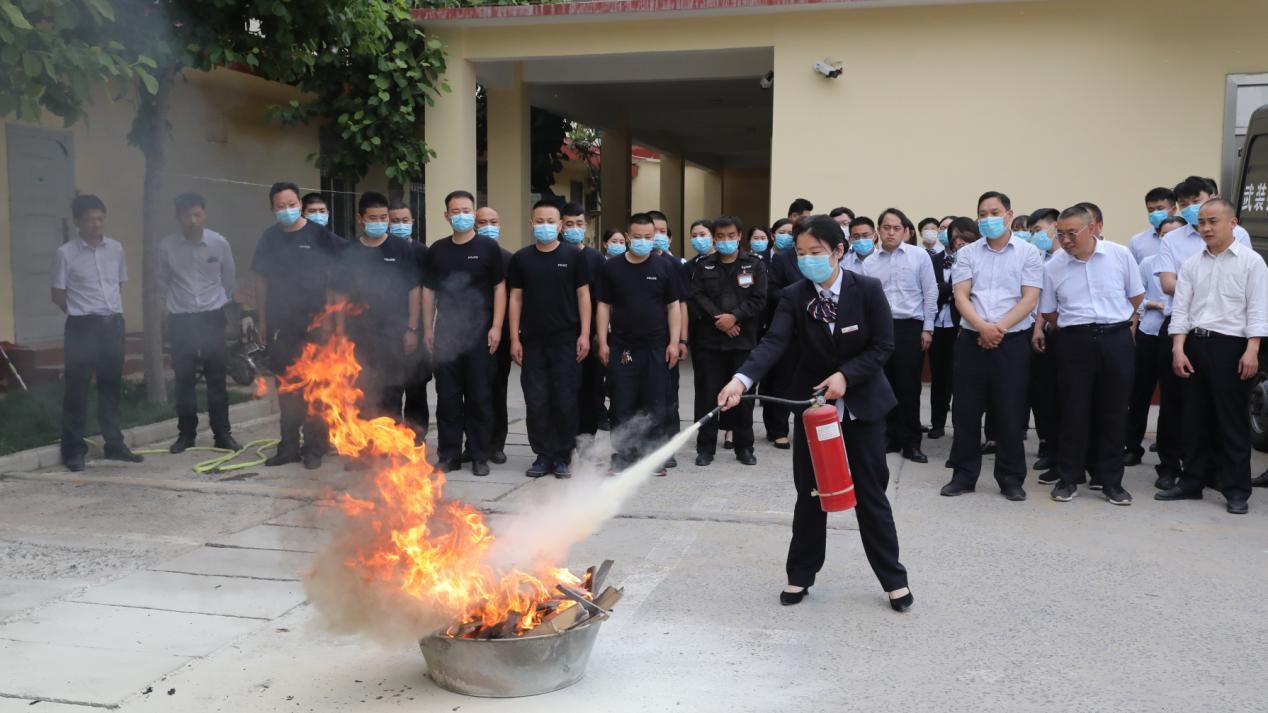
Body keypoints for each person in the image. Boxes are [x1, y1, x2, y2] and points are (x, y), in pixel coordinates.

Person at [716, 215, 911, 612]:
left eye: (816, 253)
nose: (808, 261)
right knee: (810, 493)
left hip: (862, 409)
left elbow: (882, 347)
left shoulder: (867, 290)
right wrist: (740, 380)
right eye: (801, 253)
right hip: (813, 410)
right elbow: (773, 343)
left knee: (871, 495)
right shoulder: (793, 295)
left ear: (839, 251)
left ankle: (893, 579)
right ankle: (800, 575)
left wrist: (846, 376)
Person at [1158, 199, 1267, 515]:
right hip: (1194, 345)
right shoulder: (1193, 264)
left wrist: (1252, 349)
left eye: (1212, 221)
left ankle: (1236, 490)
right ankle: (1191, 481)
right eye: (1201, 222)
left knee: (1231, 422)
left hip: (1232, 347)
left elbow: (1259, 308)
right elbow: (1181, 309)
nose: (1205, 228)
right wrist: (1178, 348)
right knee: (1192, 418)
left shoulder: (1251, 263)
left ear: (1232, 223)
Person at [1038, 206, 1144, 505]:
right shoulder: (1053, 266)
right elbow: (1048, 311)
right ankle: (1069, 478)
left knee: (1113, 412)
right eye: (1061, 233)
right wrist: (1076, 329)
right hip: (1074, 342)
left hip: (1115, 339)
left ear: (1093, 228)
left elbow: (1136, 297)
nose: (1066, 239)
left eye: (1073, 233)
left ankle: (1111, 481)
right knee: (1073, 411)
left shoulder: (1119, 255)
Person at [942, 191, 1043, 501]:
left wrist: (998, 328)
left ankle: (1011, 478)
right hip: (971, 340)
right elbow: (961, 296)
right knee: (965, 410)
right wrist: (983, 327)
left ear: (1009, 214)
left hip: (1011, 341)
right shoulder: (968, 253)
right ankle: (963, 474)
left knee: (1010, 412)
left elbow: (1030, 298)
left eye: (994, 212)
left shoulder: (1028, 253)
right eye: (982, 214)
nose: (988, 219)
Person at [252, 181, 343, 470]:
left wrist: (331, 318)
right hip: (281, 324)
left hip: (316, 323)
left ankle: (315, 447)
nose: (286, 210)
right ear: (272, 209)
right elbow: (261, 281)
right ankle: (288, 446)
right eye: (280, 206)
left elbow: (337, 277)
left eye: (291, 204)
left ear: (300, 204)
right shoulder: (269, 238)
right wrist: (262, 319)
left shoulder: (319, 235)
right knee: (288, 388)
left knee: (316, 386)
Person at [52, 194, 144, 472]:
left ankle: (114, 444)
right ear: (78, 222)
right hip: (83, 327)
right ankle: (73, 450)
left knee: (111, 388)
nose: (96, 224)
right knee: (77, 390)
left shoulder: (115, 249)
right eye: (90, 220)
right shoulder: (66, 253)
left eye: (100, 218)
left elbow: (118, 284)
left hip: (113, 325)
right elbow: (57, 294)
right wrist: (81, 313)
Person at [421, 191, 506, 476]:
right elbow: (428, 291)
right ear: (446, 215)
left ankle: (479, 454)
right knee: (447, 398)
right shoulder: (437, 250)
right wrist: (427, 329)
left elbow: (499, 289)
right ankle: (449, 455)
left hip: (480, 334)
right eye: (455, 211)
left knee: (480, 397)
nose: (461, 216)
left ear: (474, 213)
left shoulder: (488, 248)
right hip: (446, 333)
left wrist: (496, 326)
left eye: (466, 210)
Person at [507, 200, 592, 478]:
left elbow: (583, 296)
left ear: (560, 225)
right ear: (531, 224)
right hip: (532, 342)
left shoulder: (574, 256)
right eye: (539, 221)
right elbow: (515, 298)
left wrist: (584, 334)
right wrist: (514, 339)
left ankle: (563, 457)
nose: (545, 226)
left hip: (566, 341)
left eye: (550, 222)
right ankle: (543, 455)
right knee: (537, 400)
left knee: (565, 400)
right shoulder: (521, 258)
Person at [596, 213, 682, 475]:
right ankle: (624, 455)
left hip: (657, 346)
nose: (643, 241)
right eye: (637, 237)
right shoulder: (611, 267)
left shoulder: (665, 267)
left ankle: (651, 456)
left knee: (656, 402)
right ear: (628, 236)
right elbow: (603, 306)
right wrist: (602, 341)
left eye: (648, 237)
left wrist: (674, 342)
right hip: (623, 347)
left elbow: (673, 307)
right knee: (623, 401)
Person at [159, 192, 240, 455]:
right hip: (181, 320)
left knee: (217, 379)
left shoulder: (219, 244)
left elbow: (229, 280)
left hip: (211, 317)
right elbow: (162, 282)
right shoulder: (167, 247)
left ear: (204, 214)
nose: (193, 221)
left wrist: (216, 303)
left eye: (197, 214)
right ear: (178, 218)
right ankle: (186, 434)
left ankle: (222, 433)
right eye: (186, 216)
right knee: (184, 380)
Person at [330, 191, 421, 426]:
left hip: (393, 333)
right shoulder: (348, 252)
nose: (379, 222)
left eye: (383, 217)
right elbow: (340, 294)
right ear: (361, 219)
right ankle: (363, 450)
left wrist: (412, 328)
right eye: (373, 217)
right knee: (361, 390)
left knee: (391, 392)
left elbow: (414, 290)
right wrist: (339, 333)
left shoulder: (401, 248)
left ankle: (390, 449)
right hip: (358, 333)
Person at [689, 215, 767, 466]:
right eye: (720, 237)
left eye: (730, 236)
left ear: (739, 236)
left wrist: (734, 318)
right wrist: (720, 320)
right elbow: (698, 296)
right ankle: (705, 448)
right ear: (714, 238)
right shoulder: (704, 266)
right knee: (707, 395)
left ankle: (744, 447)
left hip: (742, 342)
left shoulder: (754, 264)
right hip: (709, 343)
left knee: (742, 398)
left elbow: (758, 299)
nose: (725, 241)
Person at [865, 208, 937, 463]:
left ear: (906, 231)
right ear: (879, 230)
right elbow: (866, 303)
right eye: (886, 227)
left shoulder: (919, 257)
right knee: (883, 385)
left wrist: (928, 327)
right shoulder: (869, 262)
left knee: (909, 387)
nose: (891, 232)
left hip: (910, 328)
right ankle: (888, 438)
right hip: (880, 330)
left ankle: (911, 442)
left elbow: (930, 293)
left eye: (896, 228)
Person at [1125, 216, 1183, 466]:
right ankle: (1132, 445)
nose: (1168, 240)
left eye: (1174, 234)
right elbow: (1135, 298)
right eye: (1163, 235)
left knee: (1173, 396)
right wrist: (1152, 304)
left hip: (1178, 335)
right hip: (1149, 332)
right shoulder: (1148, 264)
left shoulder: (1191, 264)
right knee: (1140, 392)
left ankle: (1170, 450)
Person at [469, 205, 513, 466]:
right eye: (482, 221)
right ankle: (472, 443)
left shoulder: (508, 258)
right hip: (469, 332)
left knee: (496, 389)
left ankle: (496, 444)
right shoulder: (465, 253)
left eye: (492, 221)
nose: (488, 226)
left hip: (501, 333)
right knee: (473, 392)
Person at [928, 218, 976, 439]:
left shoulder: (975, 259)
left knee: (963, 380)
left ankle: (962, 428)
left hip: (962, 323)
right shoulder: (931, 259)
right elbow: (929, 290)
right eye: (953, 235)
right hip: (938, 324)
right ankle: (937, 424)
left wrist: (944, 289)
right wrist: (948, 290)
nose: (958, 241)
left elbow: (968, 292)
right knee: (938, 377)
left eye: (963, 237)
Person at [564, 203, 608, 438]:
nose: (574, 229)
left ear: (586, 226)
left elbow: (602, 300)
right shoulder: (555, 254)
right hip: (562, 334)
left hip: (590, 335)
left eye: (579, 224)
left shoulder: (596, 259)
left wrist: (598, 335)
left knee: (591, 389)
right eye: (569, 224)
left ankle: (586, 438)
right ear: (561, 225)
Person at [1025, 208, 1060, 475]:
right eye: (1032, 231)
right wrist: (1038, 328)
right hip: (1044, 332)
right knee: (1042, 392)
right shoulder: (1040, 258)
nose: (1035, 235)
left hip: (1068, 334)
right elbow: (1039, 302)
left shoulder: (1064, 259)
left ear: (1054, 227)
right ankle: (1048, 443)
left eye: (1038, 230)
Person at [760, 219, 798, 451]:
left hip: (816, 328)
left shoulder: (825, 257)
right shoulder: (783, 258)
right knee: (782, 380)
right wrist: (796, 296)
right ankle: (779, 430)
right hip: (789, 326)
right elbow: (771, 290)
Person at [1129, 187, 1177, 263]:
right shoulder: (1137, 242)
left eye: (1160, 209)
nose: (1155, 213)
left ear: (1174, 210)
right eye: (1151, 210)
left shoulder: (1188, 236)